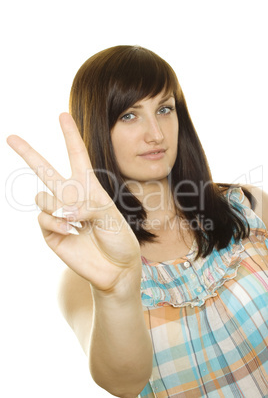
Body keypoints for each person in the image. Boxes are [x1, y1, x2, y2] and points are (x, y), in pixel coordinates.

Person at [7, 45, 268, 398]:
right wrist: (116, 289)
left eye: (164, 109)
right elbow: (124, 383)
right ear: (98, 129)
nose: (156, 134)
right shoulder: (85, 278)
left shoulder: (248, 207)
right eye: (129, 115)